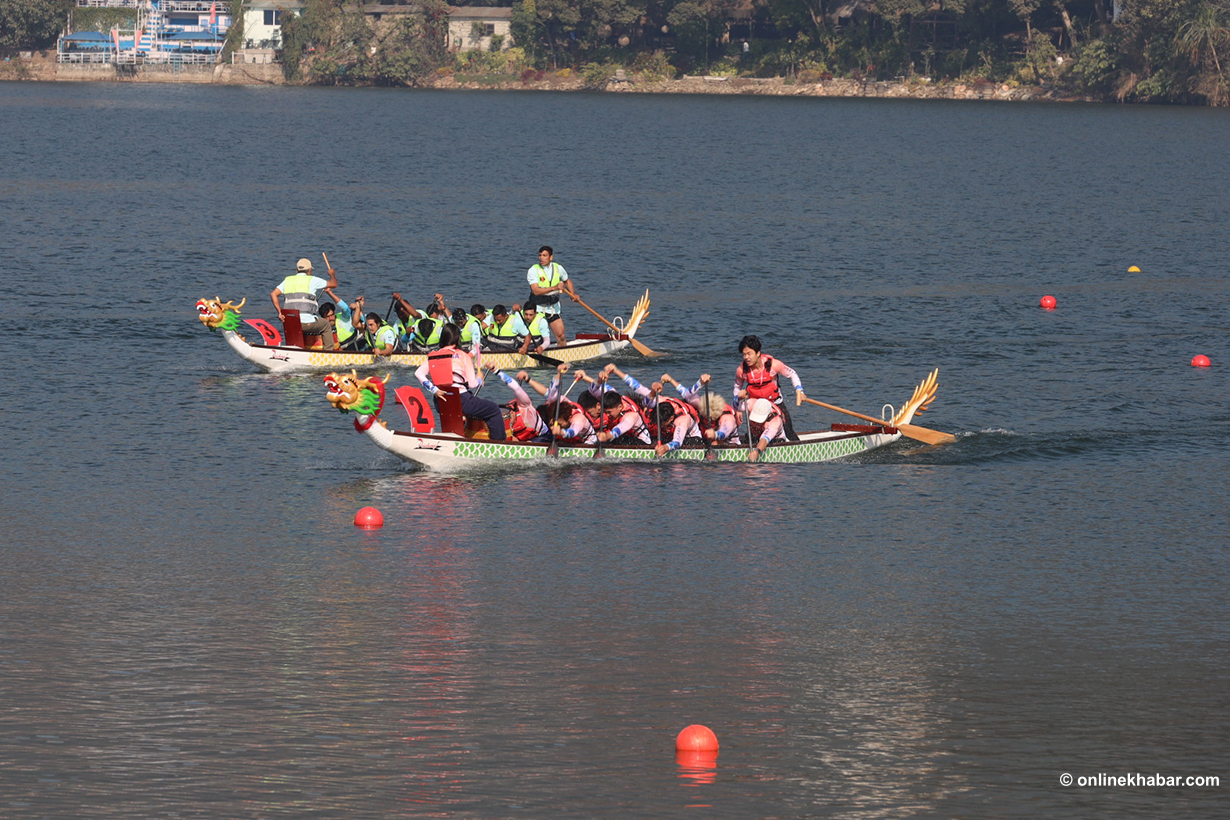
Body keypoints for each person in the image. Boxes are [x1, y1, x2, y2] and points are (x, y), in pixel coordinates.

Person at [414, 324, 506, 440]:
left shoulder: (433, 356)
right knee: (493, 409)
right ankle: (499, 443)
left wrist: (434, 390)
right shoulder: (463, 356)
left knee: (468, 407)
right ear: (458, 339)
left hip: (440, 402)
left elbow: (418, 373)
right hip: (461, 401)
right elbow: (473, 384)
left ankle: (461, 435)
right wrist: (479, 377)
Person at [734, 334, 805, 441]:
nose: (746, 358)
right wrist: (738, 408)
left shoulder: (774, 365)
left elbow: (792, 374)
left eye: (749, 354)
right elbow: (737, 387)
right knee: (753, 437)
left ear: (758, 353)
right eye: (744, 355)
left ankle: (799, 451)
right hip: (757, 407)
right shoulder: (741, 370)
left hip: (775, 403)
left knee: (789, 432)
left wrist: (799, 390)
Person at [270, 257, 339, 350]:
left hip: (290, 323)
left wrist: (280, 312)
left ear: (297, 270)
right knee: (326, 325)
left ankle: (296, 348)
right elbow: (334, 284)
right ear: (309, 270)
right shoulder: (312, 280)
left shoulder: (287, 280)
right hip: (306, 323)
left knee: (299, 327)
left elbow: (273, 294)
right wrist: (332, 275)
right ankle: (329, 353)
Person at [661, 372, 741, 445]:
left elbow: (724, 432)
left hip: (727, 443)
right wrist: (700, 382)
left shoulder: (727, 418)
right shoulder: (704, 405)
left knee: (715, 443)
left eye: (710, 418)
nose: (707, 419)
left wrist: (715, 434)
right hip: (704, 438)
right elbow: (687, 394)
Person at [526, 245, 578, 347]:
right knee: (535, 337)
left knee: (561, 336)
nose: (541, 258)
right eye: (540, 255)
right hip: (538, 309)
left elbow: (567, 280)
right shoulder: (533, 270)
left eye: (545, 255)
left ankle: (563, 358)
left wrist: (573, 294)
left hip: (553, 308)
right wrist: (554, 287)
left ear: (551, 257)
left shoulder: (558, 268)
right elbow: (536, 291)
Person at [487, 367, 552, 442]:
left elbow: (516, 388)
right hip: (524, 440)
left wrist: (497, 371)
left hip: (543, 435)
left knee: (528, 443)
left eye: (509, 415)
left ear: (512, 411)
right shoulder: (506, 421)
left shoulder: (524, 405)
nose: (509, 418)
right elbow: (513, 439)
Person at [746, 398, 787, 462]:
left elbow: (765, 439)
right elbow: (738, 406)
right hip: (757, 435)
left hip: (774, 440)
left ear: (769, 415)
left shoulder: (775, 422)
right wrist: (739, 399)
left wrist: (757, 451)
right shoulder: (752, 403)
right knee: (747, 437)